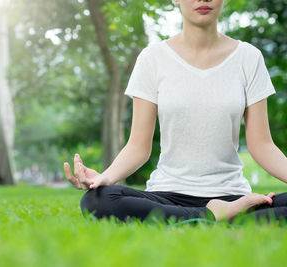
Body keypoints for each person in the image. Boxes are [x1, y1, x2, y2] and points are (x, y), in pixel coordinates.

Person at [63, 0, 287, 224]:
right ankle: (220, 217)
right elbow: (138, 146)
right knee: (97, 200)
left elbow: (262, 145)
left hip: (232, 194)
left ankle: (211, 217)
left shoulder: (249, 57)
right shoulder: (152, 58)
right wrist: (105, 177)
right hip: (167, 194)